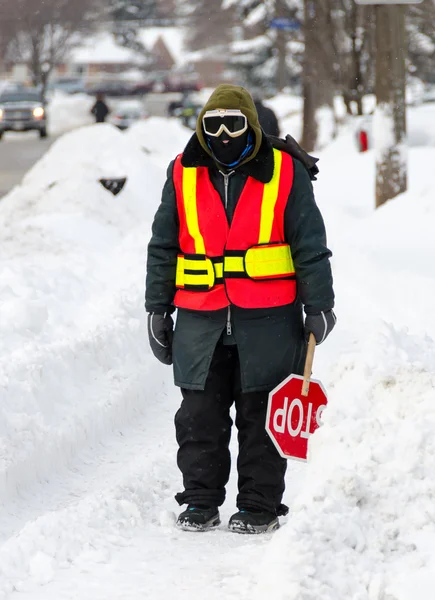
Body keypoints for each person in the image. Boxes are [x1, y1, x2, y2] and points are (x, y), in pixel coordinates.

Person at [145, 84, 335, 534]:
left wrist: (320, 305)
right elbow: (162, 246)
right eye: (213, 125)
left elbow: (310, 243)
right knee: (198, 417)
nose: (224, 134)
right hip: (200, 319)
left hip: (269, 320)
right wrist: (157, 309)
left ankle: (258, 505)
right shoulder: (182, 173)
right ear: (200, 127)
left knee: (261, 417)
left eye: (234, 123)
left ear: (251, 125)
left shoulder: (287, 171)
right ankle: (201, 501)